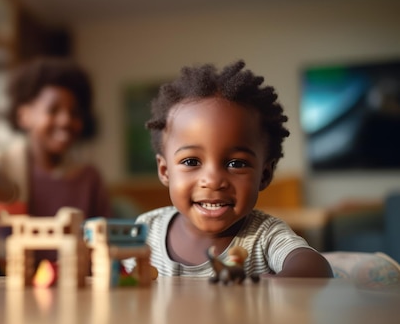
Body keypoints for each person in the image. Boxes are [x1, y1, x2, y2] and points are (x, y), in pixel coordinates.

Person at [129, 60, 333, 278]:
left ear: (264, 174)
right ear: (164, 171)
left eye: (236, 164)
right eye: (191, 162)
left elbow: (315, 267)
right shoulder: (146, 229)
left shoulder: (265, 236)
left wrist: (275, 286)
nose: (214, 180)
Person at [0, 57, 111, 277]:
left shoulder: (88, 178)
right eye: (53, 110)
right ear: (24, 116)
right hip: (2, 274)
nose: (65, 120)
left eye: (75, 113)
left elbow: (103, 239)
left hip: (68, 278)